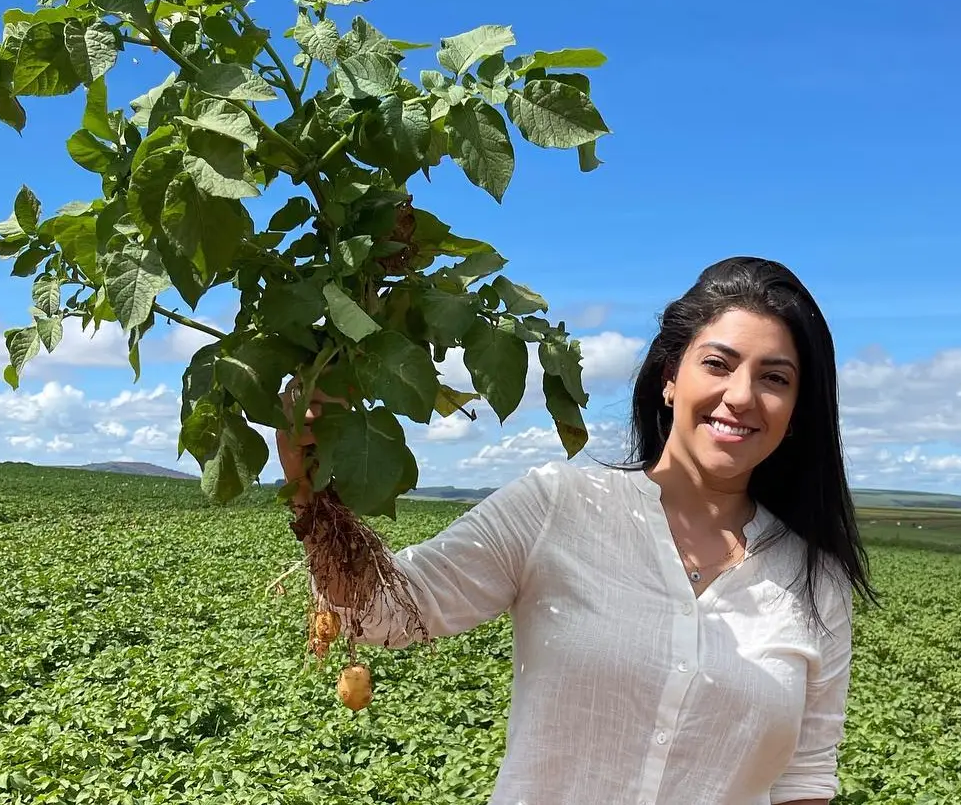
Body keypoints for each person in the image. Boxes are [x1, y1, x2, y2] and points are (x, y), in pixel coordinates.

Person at [277, 256, 877, 805]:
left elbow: (804, 780)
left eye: (775, 378)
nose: (741, 396)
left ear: (798, 410)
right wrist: (313, 488)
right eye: (717, 364)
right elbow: (384, 611)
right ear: (671, 376)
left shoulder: (814, 577)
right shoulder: (558, 505)